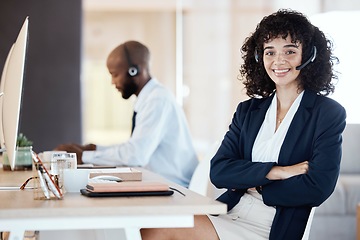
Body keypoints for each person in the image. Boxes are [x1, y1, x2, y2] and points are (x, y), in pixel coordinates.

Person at [140, 9, 346, 240]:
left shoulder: (327, 113)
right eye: (270, 52)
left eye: (290, 51)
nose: (279, 60)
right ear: (260, 58)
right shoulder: (248, 111)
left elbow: (318, 187)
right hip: (230, 212)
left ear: (308, 55)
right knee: (152, 225)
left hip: (272, 225)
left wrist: (253, 183)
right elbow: (219, 171)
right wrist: (276, 172)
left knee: (163, 229)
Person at [55, 40, 198, 188]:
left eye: (115, 74)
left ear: (134, 71)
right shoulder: (148, 98)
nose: (112, 82)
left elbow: (136, 155)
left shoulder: (157, 100)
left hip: (176, 189)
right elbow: (134, 147)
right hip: (161, 184)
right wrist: (92, 149)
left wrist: (84, 156)